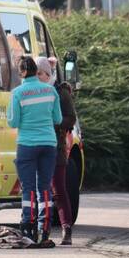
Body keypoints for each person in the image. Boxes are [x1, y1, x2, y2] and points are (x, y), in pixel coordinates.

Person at [8, 55, 62, 246]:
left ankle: (28, 226)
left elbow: (13, 122)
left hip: (27, 145)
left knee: (28, 188)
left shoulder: (17, 93)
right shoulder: (50, 91)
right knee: (44, 188)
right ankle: (44, 228)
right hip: (48, 143)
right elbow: (58, 119)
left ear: (22, 72)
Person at [47, 57, 78, 245]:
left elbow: (71, 118)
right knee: (40, 191)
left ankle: (66, 229)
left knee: (59, 191)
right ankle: (43, 228)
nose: (40, 76)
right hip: (39, 146)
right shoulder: (35, 92)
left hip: (57, 146)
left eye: (44, 73)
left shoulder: (61, 92)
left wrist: (55, 125)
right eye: (38, 73)